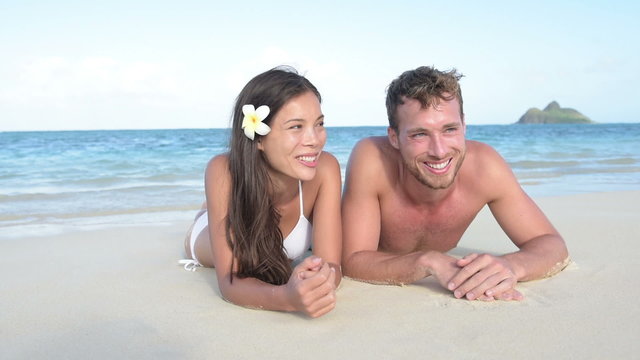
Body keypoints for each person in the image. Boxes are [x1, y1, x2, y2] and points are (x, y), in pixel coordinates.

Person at [341, 66, 569, 301]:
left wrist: (510, 266)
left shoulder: (485, 168)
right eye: (419, 134)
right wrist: (427, 261)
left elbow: (551, 245)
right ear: (393, 138)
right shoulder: (372, 159)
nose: (439, 151)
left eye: (449, 129)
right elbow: (353, 260)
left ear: (464, 126)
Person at [180, 67, 342, 317]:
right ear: (259, 139)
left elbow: (332, 264)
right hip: (204, 235)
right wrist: (287, 299)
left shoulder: (327, 168)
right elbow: (230, 283)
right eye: (296, 127)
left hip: (267, 228)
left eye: (319, 124)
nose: (315, 139)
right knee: (212, 215)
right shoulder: (222, 171)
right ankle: (208, 208)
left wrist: (321, 279)